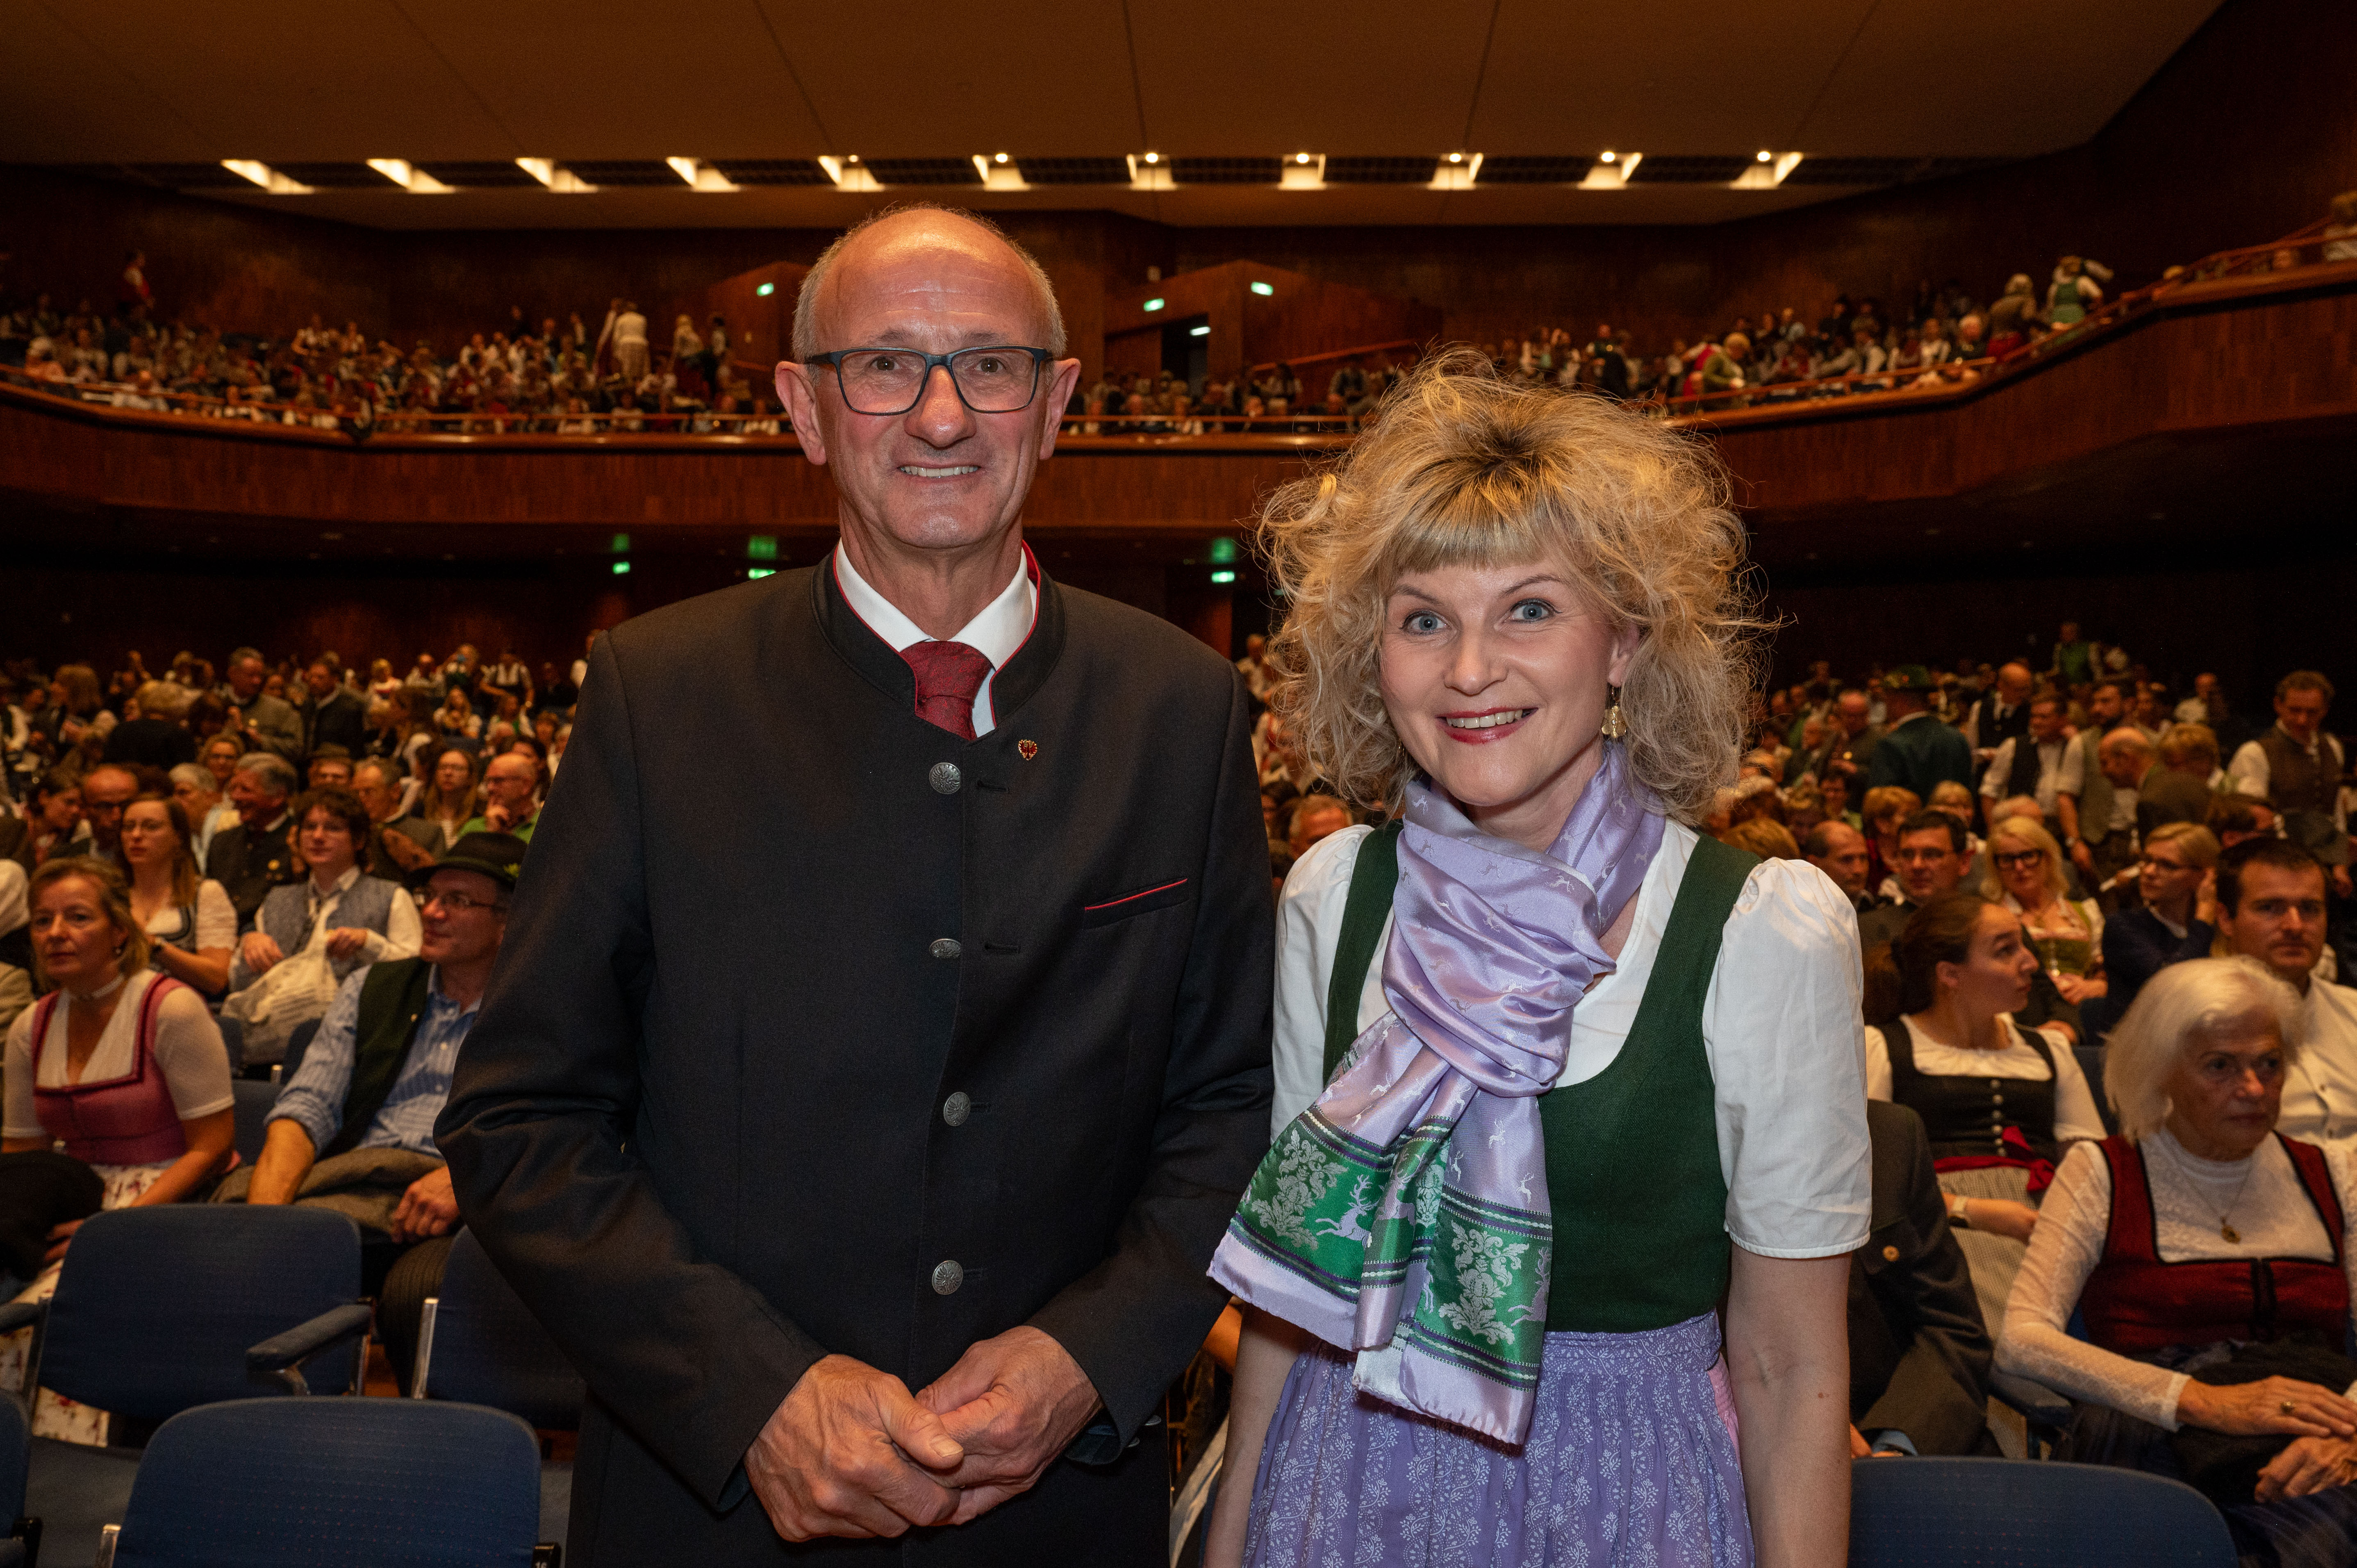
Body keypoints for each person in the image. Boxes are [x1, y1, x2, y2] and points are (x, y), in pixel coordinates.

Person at [438, 205, 1273, 1565]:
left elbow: (1235, 1106)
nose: (940, 414)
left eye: (990, 364)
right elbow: (524, 1117)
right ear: (805, 407)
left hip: (1054, 1507)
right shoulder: (660, 694)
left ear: (1055, 403)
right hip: (710, 1505)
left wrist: (1084, 1352)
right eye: (885, 364)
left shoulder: (1184, 707)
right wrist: (754, 1386)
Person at [1206, 351, 1866, 1568]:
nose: (1467, 671)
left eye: (1526, 609)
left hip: (1623, 1498)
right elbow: (1293, 1303)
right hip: (1341, 1476)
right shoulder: (1330, 892)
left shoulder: (1767, 926)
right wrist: (1233, 1539)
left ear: (1621, 642)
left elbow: (1788, 1370)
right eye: (1421, 619)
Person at [1997, 959, 2357, 1562]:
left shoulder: (2335, 1171)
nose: (2252, 1087)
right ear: (2160, 1069)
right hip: (2149, 1432)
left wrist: (2349, 1431)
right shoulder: (2102, 1169)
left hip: (2316, 1430)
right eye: (2219, 1066)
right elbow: (2021, 1339)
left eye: (2268, 1063)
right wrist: (2201, 1399)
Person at [216, 833, 525, 1386]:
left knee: (417, 1293)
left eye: (457, 901)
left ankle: (414, 1451)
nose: (431, 911)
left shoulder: (537, 1007)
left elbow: (559, 1126)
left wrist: (465, 1178)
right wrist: (268, 1217)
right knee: (237, 1257)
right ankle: (255, 1435)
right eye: (430, 895)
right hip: (363, 1184)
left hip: (458, 1204)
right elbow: (308, 1105)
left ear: (509, 920)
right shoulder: (374, 986)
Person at [0, 858, 234, 1442]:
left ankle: (62, 1471)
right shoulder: (31, 1023)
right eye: (42, 920)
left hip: (167, 1196)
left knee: (48, 1313)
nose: (56, 933)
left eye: (77, 917)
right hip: (70, 1194)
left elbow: (212, 1146)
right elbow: (23, 1154)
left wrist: (113, 1229)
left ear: (120, 932)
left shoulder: (172, 1006)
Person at [1867, 893, 2106, 1332]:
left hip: (2047, 1219)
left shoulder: (2047, 1049)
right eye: (2005, 950)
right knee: (2002, 1330)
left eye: (2023, 946)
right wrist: (1973, 1211)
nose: (2029, 963)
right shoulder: (1884, 1047)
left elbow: (2090, 1167)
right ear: (1949, 974)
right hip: (1937, 1220)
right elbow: (1867, 1177)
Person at [1849, 1101, 1998, 1458]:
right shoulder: (1703, 1142)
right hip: (1748, 1443)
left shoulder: (1891, 1134)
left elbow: (1953, 1327)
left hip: (1905, 1424)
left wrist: (1898, 1445)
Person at [2216, 839, 2357, 1148]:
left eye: (2309, 909)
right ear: (2226, 919)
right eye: (2270, 908)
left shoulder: (2353, 1010)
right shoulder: (2192, 1022)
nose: (2295, 926)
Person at [225, 787, 420, 1007]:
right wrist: (248, 947)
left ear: (359, 841)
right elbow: (238, 984)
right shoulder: (277, 900)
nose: (318, 837)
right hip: (272, 1024)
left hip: (354, 1022)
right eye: (309, 827)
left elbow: (416, 973)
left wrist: (370, 943)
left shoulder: (392, 896)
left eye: (333, 829)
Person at [2228, 673, 2348, 891]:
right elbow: (2252, 824)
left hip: (2325, 863)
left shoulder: (2333, 747)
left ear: (2325, 711)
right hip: (2278, 867)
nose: (2302, 720)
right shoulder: (2255, 753)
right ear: (2278, 705)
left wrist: (2341, 863)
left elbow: (2335, 809)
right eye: (2295, 710)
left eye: (2312, 713)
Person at [2101, 823, 2221, 1025]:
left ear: (2204, 876)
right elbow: (2172, 982)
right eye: (2146, 861)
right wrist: (2204, 918)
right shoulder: (2123, 926)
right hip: (2139, 1048)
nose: (2148, 872)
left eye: (2167, 865)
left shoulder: (2224, 928)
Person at [1986, 815, 2106, 1007]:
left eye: (2028, 856)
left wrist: (2096, 985)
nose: (2019, 867)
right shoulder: (1989, 918)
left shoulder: (2085, 911)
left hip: (2082, 1008)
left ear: (2047, 858)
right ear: (1996, 866)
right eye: (2008, 859)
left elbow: (2103, 967)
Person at [120, 794, 233, 997]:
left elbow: (216, 978)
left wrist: (153, 944)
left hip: (184, 1010)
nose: (136, 835)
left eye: (151, 827)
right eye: (128, 827)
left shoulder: (204, 893)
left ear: (178, 837)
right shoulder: (110, 895)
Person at [202, 752, 298, 929]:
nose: (235, 797)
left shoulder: (299, 842)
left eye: (245, 790)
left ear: (278, 797)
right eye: (233, 789)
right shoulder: (223, 841)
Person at [1867, 666, 1973, 799]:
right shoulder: (1956, 738)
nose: (1886, 703)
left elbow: (1880, 803)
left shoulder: (1890, 745)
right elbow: (1968, 793)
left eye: (1888, 697)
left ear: (1898, 700)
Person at [1980, 694, 2068, 823]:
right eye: (2033, 716)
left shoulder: (2072, 746)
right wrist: (1994, 830)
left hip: (2061, 826)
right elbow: (1989, 791)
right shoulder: (2014, 746)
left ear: (2063, 719)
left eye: (2044, 717)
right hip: (2020, 824)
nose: (2036, 722)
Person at [350, 758, 439, 879]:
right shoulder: (350, 834)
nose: (361, 800)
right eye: (356, 793)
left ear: (395, 791)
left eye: (369, 791)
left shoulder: (428, 833)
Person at [223, 647, 302, 765]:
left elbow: (297, 749)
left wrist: (260, 740)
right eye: (251, 675)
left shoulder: (280, 709)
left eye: (260, 676)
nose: (257, 681)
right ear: (233, 673)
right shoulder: (216, 704)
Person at [456, 751, 540, 841]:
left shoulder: (545, 827)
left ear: (525, 785)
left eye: (498, 781)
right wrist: (490, 833)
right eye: (488, 781)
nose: (490, 788)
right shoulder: (473, 828)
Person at [415, 747, 479, 853]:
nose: (448, 773)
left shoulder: (479, 813)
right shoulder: (420, 809)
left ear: (470, 777)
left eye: (457, 768)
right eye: (443, 767)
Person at [1805, 818, 1877, 910]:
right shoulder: (1804, 914)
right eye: (1846, 860)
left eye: (1863, 858)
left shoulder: (1873, 904)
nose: (1859, 870)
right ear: (1814, 864)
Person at [302, 659, 368, 759]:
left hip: (333, 764)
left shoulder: (349, 709)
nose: (313, 682)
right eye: (311, 677)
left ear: (335, 679)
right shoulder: (308, 704)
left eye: (320, 678)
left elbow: (355, 750)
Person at [76, 764, 137, 868]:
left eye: (125, 805)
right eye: (105, 806)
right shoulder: (66, 856)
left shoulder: (154, 859)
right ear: (84, 809)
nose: (117, 817)